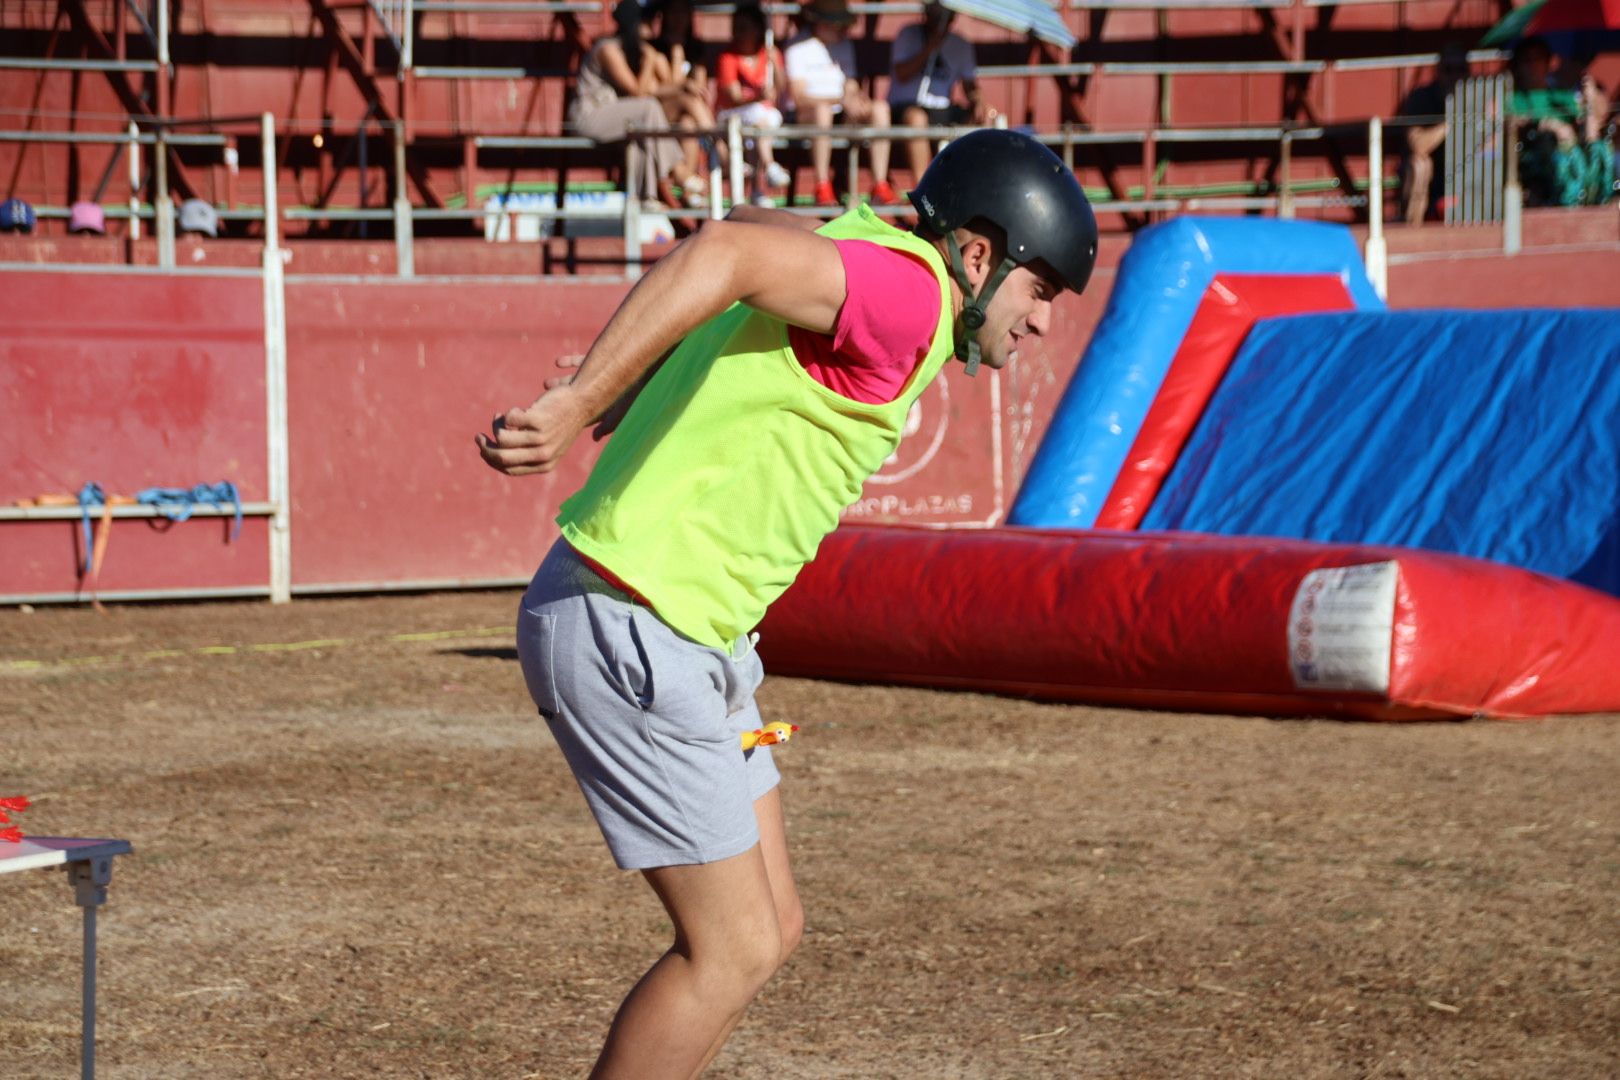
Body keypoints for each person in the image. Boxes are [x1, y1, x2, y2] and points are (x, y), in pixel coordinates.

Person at [475, 128, 1097, 1079]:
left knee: (774, 926)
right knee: (731, 950)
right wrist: (583, 399)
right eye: (1040, 289)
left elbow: (744, 227)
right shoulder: (914, 299)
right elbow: (724, 253)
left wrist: (632, 377)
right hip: (636, 621)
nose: (1044, 319)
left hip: (688, 629)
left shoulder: (875, 255)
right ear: (979, 254)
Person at [570, 0, 709, 209]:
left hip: (611, 115)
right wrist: (650, 59)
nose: (650, 26)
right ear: (632, 23)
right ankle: (678, 170)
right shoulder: (608, 49)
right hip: (589, 116)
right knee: (648, 108)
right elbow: (638, 92)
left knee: (640, 132)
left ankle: (646, 198)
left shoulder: (628, 50)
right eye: (645, 21)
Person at [783, 0, 896, 206]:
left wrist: (855, 99)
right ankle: (822, 184)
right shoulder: (797, 47)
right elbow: (799, 97)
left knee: (880, 109)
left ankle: (879, 183)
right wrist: (840, 100)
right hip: (808, 115)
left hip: (841, 111)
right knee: (822, 112)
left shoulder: (844, 45)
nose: (843, 29)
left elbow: (850, 82)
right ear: (821, 23)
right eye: (838, 24)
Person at [887, 0, 991, 185]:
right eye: (935, 13)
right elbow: (902, 74)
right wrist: (929, 49)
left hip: (942, 108)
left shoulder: (960, 44)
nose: (939, 19)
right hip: (907, 105)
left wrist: (979, 101)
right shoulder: (908, 34)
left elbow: (970, 86)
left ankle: (965, 184)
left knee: (982, 119)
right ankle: (923, 187)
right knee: (916, 119)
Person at [1510, 36, 1615, 208]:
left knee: (1598, 145)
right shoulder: (1514, 100)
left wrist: (1591, 94)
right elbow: (1504, 122)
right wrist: (1545, 125)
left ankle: (1597, 198)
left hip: (1571, 156)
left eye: (1537, 59)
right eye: (1526, 60)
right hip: (1537, 162)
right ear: (1518, 66)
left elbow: (1600, 112)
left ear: (1548, 62)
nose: (1532, 65)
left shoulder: (1562, 96)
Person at [715, 3, 792, 205]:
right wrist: (758, 96)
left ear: (757, 30)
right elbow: (733, 96)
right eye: (736, 28)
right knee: (761, 115)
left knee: (765, 121)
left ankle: (758, 188)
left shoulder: (768, 55)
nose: (738, 33)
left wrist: (775, 63)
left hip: (760, 117)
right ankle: (769, 168)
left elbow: (782, 87)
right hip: (731, 114)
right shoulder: (728, 57)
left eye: (744, 28)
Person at [1395, 43, 1470, 225]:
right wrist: (1451, 122)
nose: (1455, 76)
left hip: (1469, 173)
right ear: (1437, 72)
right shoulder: (1422, 97)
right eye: (1448, 70)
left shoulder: (1479, 97)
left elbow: (1494, 144)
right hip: (1434, 177)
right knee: (1419, 165)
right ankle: (1414, 233)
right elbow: (1418, 146)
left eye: (1460, 69)